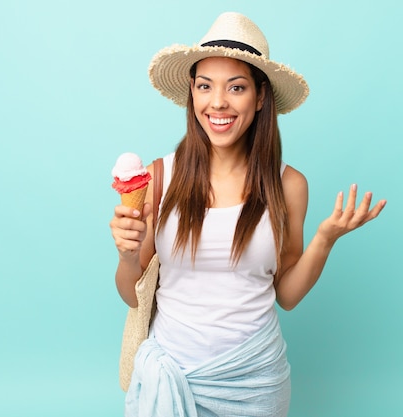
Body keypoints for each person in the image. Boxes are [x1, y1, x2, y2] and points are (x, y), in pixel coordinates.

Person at [109, 11, 386, 417]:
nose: (218, 102)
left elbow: (286, 296)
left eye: (235, 87)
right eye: (205, 86)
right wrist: (127, 256)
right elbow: (130, 294)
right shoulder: (160, 177)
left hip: (254, 381)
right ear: (192, 93)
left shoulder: (289, 186)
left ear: (260, 98)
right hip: (172, 377)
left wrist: (325, 240)